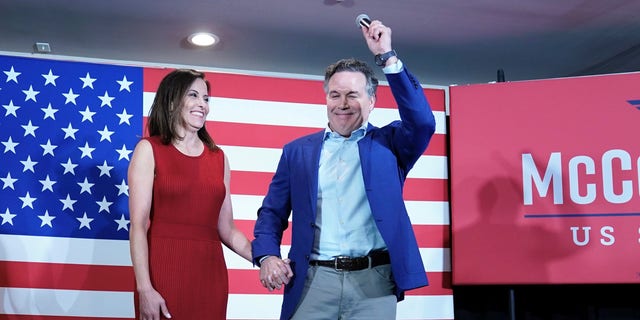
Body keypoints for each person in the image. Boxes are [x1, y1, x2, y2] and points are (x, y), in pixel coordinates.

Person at [252, 18, 436, 320]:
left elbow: (423, 122)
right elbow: (272, 212)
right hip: (312, 282)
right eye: (335, 95)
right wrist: (267, 255)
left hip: (374, 283)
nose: (343, 103)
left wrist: (387, 57)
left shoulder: (391, 144)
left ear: (372, 101)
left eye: (353, 95)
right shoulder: (297, 151)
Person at [128, 69, 252, 320]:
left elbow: (227, 229)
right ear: (172, 100)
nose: (202, 105)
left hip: (210, 277)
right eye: (193, 95)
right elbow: (139, 226)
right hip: (163, 274)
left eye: (206, 99)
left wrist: (266, 258)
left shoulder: (219, 158)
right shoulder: (148, 149)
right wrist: (145, 288)